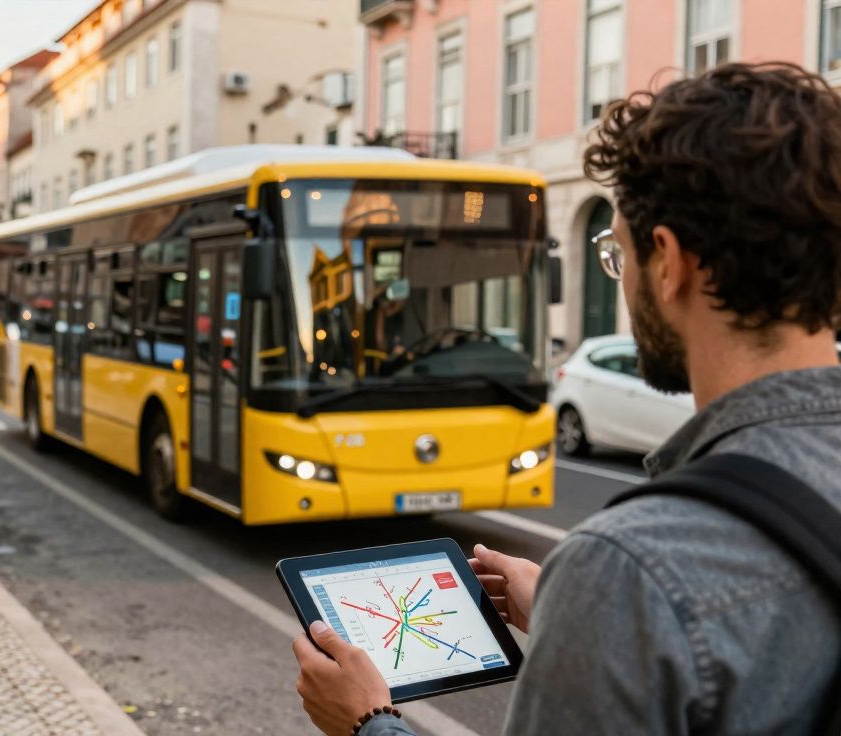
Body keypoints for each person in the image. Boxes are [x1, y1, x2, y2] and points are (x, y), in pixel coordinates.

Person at [293, 61, 841, 735]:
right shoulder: (623, 581)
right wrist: (569, 606)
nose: (622, 276)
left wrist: (368, 721)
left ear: (668, 262)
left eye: (618, 253)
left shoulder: (632, 571)